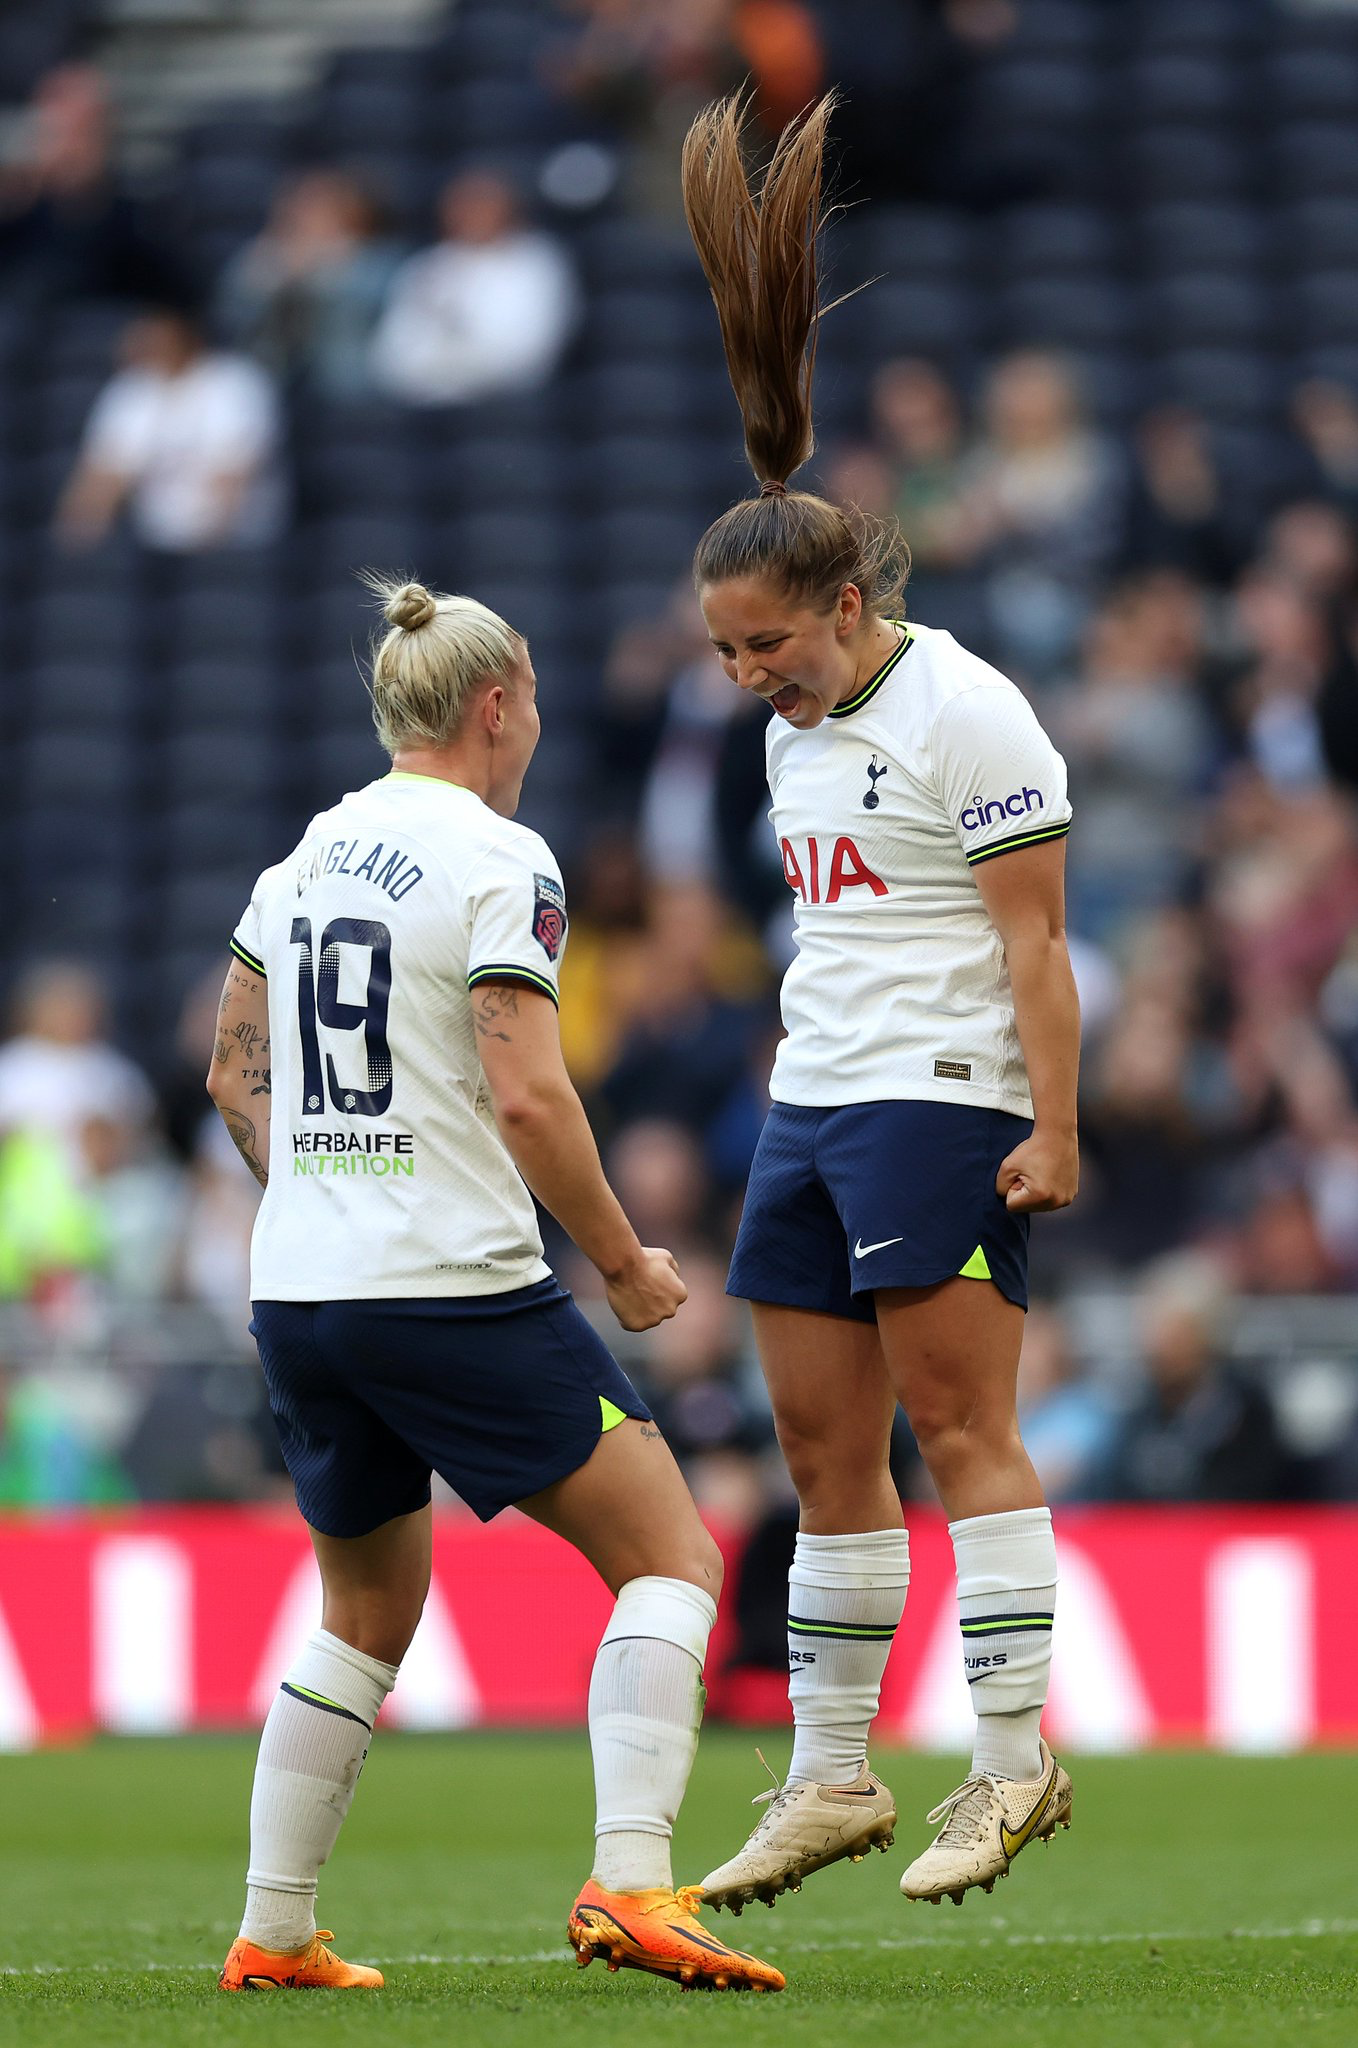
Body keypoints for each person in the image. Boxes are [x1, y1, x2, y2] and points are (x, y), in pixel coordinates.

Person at [207, 575, 783, 1995]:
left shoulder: (302, 861)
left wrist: (327, 1201)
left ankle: (275, 1930)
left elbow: (231, 1072)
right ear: (496, 699)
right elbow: (528, 1095)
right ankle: (633, 1882)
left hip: (304, 1288)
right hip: (450, 1281)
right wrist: (626, 1262)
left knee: (362, 1614)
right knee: (669, 1556)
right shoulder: (498, 856)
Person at [679, 96, 1079, 1916]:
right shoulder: (801, 737)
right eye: (725, 653)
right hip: (813, 1105)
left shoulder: (969, 713)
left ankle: (1012, 1762)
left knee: (957, 1427)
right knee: (823, 1451)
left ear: (847, 600)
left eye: (772, 644)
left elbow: (1034, 945)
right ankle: (831, 1773)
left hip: (943, 1098)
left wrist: (1050, 1124)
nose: (752, 676)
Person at [56, 308, 286, 553]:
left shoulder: (234, 382)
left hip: (236, 543)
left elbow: (233, 478)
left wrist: (205, 555)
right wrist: (78, 547)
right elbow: (101, 477)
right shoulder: (130, 389)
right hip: (156, 541)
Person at [369, 169, 579, 408]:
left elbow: (529, 354)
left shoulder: (537, 262)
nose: (471, 214)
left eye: (482, 204)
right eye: (463, 205)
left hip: (509, 407)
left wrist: (453, 367)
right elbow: (392, 357)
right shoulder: (426, 267)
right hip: (426, 408)